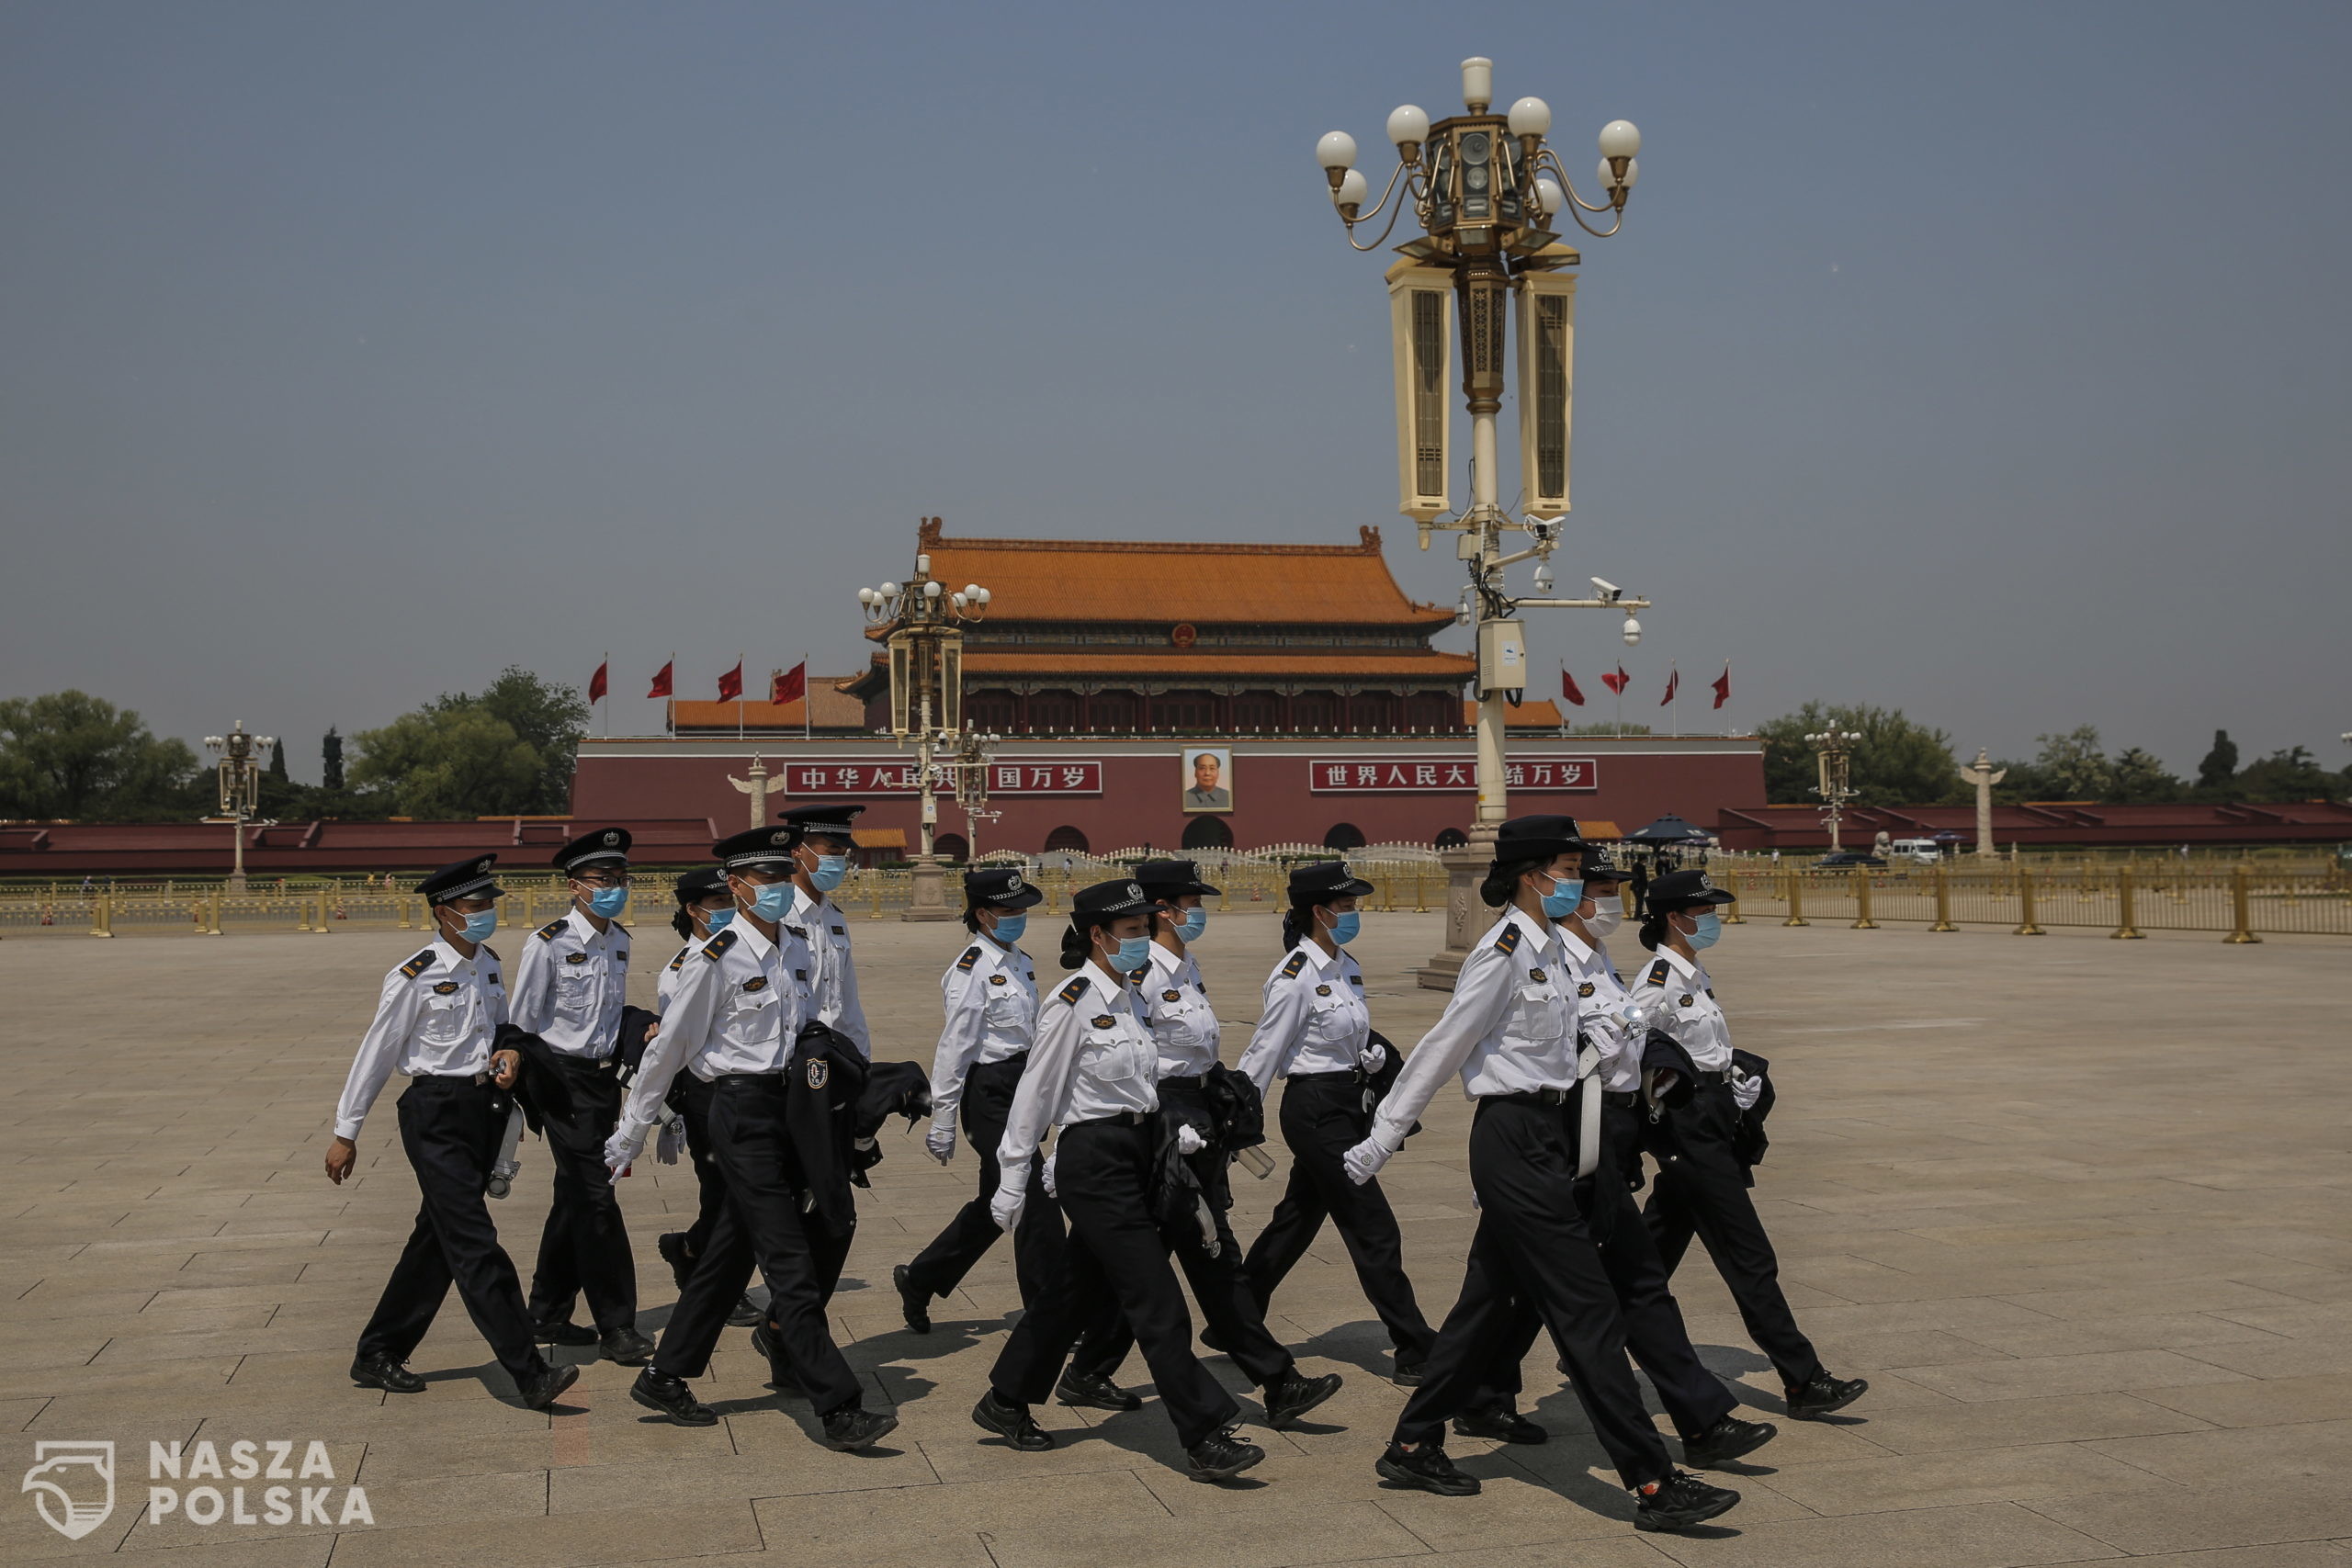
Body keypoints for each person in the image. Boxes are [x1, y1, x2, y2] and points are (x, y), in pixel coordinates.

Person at [1340, 817, 1741, 1533]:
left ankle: (1412, 1440)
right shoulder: (1500, 953)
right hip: (1513, 1137)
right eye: (1567, 867)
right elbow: (1443, 1045)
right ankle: (1653, 1480)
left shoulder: (1555, 949)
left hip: (1559, 1131)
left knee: (1487, 1301)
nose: (1576, 881)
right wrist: (1382, 1135)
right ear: (1533, 874)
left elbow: (1593, 1035)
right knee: (1586, 1309)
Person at [1459, 840, 1779, 1467]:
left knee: (1555, 1282)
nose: (1606, 899)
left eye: (1604, 888)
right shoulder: (1549, 959)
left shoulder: (1596, 959)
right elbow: (1516, 1050)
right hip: (1568, 1137)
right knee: (1541, 1286)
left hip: (1607, 1133)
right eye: (1596, 887)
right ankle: (1456, 1405)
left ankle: (1478, 1394)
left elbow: (1631, 1038)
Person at [604, 826, 894, 1450]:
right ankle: (838, 1406)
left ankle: (665, 1373)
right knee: (788, 1258)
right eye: (762, 881)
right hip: (737, 1112)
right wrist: (632, 1127)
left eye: (781, 878)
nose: (777, 890)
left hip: (786, 1106)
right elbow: (670, 1048)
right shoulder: (717, 956)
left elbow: (811, 1027)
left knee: (731, 1252)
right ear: (734, 887)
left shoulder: (794, 947)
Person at [971, 878, 1265, 1483]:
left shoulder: (1132, 997)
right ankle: (1204, 1432)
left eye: (1142, 930)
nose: (1140, 942)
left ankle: (1004, 1399)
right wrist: (1014, 1172)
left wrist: (1170, 1137)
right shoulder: (1072, 1000)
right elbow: (1036, 1093)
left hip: (1139, 1150)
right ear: (1099, 935)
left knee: (1071, 1293)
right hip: (1095, 1162)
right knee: (1155, 1299)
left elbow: (1144, 1082)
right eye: (1131, 932)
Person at [325, 855, 579, 1411]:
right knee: (473, 1242)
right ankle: (528, 1371)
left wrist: (510, 1053)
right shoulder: (414, 974)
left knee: (437, 1240)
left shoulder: (487, 963)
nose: (486, 913)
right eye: (474, 905)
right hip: (434, 1113)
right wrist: (347, 1131)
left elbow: (502, 1027)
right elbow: (377, 1051)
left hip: (481, 1108)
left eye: (490, 903)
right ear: (445, 913)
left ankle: (378, 1350)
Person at [1634, 868, 1868, 1423]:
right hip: (1690, 1132)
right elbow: (1634, 1051)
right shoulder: (1658, 980)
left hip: (1713, 1121)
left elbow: (1709, 1047)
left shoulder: (1694, 974)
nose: (1714, 919)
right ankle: (1803, 1379)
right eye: (1706, 911)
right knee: (1750, 1258)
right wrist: (1674, 1105)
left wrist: (1737, 1084)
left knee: (1647, 1255)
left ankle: (1587, 1333)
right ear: (1676, 917)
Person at [895, 867, 1134, 1409]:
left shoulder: (1019, 964)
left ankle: (922, 1277)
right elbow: (955, 1047)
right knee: (1032, 1201)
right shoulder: (971, 970)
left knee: (993, 1201)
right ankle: (1051, 1312)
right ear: (983, 915)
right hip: (990, 1091)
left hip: (1021, 1083)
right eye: (1009, 911)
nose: (1019, 919)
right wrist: (942, 1115)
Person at [1128, 858, 1341, 1424]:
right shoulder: (1143, 972)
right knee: (1211, 1246)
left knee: (1147, 1255)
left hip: (1201, 1109)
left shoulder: (1185, 964)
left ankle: (1078, 1366)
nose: (1197, 913)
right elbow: (1133, 1061)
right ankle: (1277, 1380)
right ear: (1162, 910)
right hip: (1168, 1119)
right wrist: (1168, 1126)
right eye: (1189, 904)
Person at [1234, 860, 1436, 1385]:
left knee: (1296, 1219)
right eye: (1346, 908)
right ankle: (1414, 1347)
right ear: (1319, 913)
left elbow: (1350, 1032)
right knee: (1372, 1227)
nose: (1353, 915)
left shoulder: (1345, 965)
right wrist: (1235, 1119)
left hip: (1347, 1101)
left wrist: (1364, 1057)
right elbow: (1263, 1053)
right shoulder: (1295, 976)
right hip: (1315, 1110)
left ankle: (1236, 1316)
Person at [507, 827, 652, 1366]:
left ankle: (546, 1312)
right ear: (575, 886)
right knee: (597, 1196)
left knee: (574, 1195)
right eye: (602, 880)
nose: (614, 888)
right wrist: (520, 1097)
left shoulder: (619, 941)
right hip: (559, 1081)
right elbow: (520, 1024)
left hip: (601, 1081)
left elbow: (610, 1016)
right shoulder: (548, 943)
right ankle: (617, 1324)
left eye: (621, 879)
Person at [653, 866, 764, 1330]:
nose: (726, 911)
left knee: (740, 1196)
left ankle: (689, 1249)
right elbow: (673, 1048)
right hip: (704, 1093)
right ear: (692, 910)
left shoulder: (748, 956)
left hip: (750, 1091)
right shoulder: (680, 970)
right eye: (716, 904)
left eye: (729, 902)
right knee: (722, 1193)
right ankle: (723, 1286)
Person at [775, 804, 872, 1058]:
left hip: (836, 1055)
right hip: (792, 1058)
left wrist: (862, 1059)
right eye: (832, 852)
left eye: (843, 854)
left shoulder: (834, 918)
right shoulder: (777, 914)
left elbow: (848, 1002)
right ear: (798, 850)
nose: (839, 862)